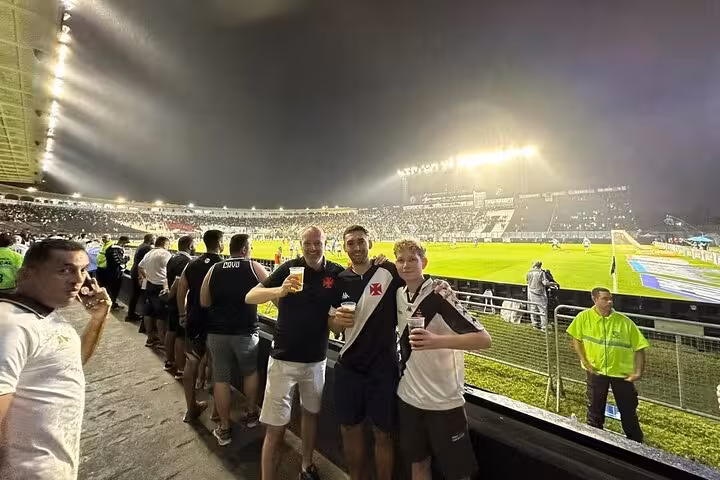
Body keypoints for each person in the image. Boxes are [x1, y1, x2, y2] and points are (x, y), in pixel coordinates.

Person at [0, 239, 111, 480]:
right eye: (65, 270)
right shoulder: (11, 325)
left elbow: (70, 367)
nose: (78, 279)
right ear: (26, 274)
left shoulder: (42, 315)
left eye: (82, 270)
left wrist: (97, 319)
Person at [246, 226, 344, 480]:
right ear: (300, 244)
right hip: (283, 359)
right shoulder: (289, 268)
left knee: (311, 414)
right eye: (307, 243)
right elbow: (251, 296)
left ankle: (306, 465)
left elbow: (338, 314)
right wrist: (279, 291)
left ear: (325, 243)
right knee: (275, 426)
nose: (313, 248)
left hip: (316, 360)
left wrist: (339, 322)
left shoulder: (334, 272)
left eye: (317, 243)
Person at [393, 238, 491, 480]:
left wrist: (437, 341)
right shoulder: (399, 294)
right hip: (409, 397)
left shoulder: (440, 294)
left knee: (458, 474)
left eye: (412, 260)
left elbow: (483, 339)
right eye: (400, 260)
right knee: (418, 464)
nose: (405, 265)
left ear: (423, 262)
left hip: (444, 401)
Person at [327, 225, 403, 480]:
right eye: (351, 243)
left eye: (361, 241)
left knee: (384, 433)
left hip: (383, 368)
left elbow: (417, 284)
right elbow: (333, 326)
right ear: (344, 247)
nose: (357, 247)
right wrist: (337, 321)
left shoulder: (389, 271)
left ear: (370, 243)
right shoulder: (339, 281)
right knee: (350, 429)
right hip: (350, 368)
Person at [200, 234, 268, 446]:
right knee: (249, 373)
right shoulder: (254, 267)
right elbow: (272, 291)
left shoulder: (214, 269)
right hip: (245, 332)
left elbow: (204, 301)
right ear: (245, 249)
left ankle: (225, 428)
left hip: (217, 333)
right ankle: (250, 414)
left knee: (221, 379)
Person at [567, 287, 648, 442]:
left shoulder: (624, 322)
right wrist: (584, 361)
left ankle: (636, 445)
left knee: (628, 412)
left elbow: (640, 348)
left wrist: (638, 372)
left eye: (610, 298)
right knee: (594, 411)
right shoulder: (583, 318)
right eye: (605, 299)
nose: (609, 302)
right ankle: (595, 442)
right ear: (594, 299)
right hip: (596, 372)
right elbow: (576, 338)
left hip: (621, 375)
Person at [177, 229, 225, 423]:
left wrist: (182, 314)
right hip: (216, 322)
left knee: (191, 363)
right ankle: (216, 412)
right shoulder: (222, 266)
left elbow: (182, 290)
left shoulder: (191, 264)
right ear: (220, 243)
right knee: (216, 366)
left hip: (195, 319)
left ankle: (191, 409)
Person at [163, 235, 195, 378]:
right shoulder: (185, 261)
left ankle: (169, 361)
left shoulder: (173, 258)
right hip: (180, 302)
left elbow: (167, 279)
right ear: (190, 246)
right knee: (181, 336)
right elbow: (178, 284)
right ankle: (181, 368)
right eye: (194, 245)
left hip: (173, 302)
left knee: (171, 331)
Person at [138, 236, 172, 347]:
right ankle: (162, 341)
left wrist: (146, 277)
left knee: (148, 312)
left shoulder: (149, 253)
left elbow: (140, 267)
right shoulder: (165, 254)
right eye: (168, 245)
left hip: (149, 285)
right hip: (160, 286)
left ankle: (150, 338)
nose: (169, 247)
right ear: (165, 244)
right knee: (161, 315)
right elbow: (170, 270)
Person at [126, 234, 155, 322]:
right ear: (151, 239)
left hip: (135, 272)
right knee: (140, 295)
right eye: (154, 238)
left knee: (135, 295)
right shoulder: (147, 248)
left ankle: (131, 314)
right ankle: (133, 315)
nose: (155, 240)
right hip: (139, 274)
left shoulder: (141, 246)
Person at [526, 261, 556, 330]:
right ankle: (544, 327)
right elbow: (545, 283)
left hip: (531, 293)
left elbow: (527, 281)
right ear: (540, 265)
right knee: (543, 310)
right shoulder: (541, 273)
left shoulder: (529, 272)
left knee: (533, 309)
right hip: (539, 294)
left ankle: (535, 324)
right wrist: (552, 284)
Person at [104, 235, 130, 310]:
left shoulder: (110, 248)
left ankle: (112, 303)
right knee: (114, 289)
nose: (125, 244)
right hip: (115, 272)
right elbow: (119, 261)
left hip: (110, 270)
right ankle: (111, 305)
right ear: (123, 241)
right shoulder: (116, 249)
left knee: (111, 289)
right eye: (125, 243)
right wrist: (127, 258)